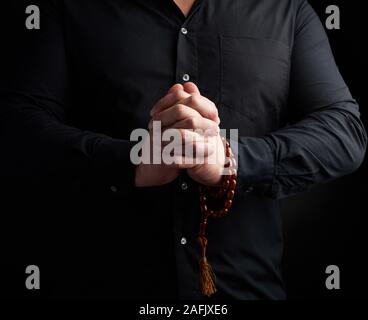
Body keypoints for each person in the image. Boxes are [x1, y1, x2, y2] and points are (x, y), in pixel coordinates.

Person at [0, 0, 366, 300]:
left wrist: (229, 159)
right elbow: (16, 131)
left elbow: (344, 132)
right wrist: (131, 161)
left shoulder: (288, 10)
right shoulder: (70, 9)